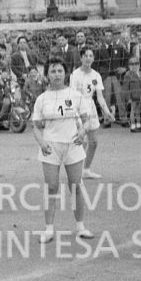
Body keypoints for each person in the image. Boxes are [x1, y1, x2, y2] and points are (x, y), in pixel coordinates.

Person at [30, 57, 94, 242]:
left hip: (73, 145)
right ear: (47, 75)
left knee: (76, 185)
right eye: (53, 71)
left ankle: (80, 227)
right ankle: (49, 229)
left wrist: (82, 131)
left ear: (65, 73)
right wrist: (42, 143)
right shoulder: (42, 99)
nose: (57, 74)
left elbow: (87, 118)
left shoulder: (75, 95)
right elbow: (35, 126)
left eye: (60, 71)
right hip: (51, 146)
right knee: (51, 187)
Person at [69, 47, 114, 180]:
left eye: (91, 55)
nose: (88, 58)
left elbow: (99, 97)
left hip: (91, 107)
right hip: (78, 108)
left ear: (93, 58)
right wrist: (74, 114)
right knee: (81, 141)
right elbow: (72, 96)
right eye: (86, 55)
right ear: (81, 58)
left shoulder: (96, 75)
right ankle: (74, 171)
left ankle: (86, 170)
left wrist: (107, 112)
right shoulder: (75, 75)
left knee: (93, 142)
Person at [120, 55, 141, 133]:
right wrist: (128, 98)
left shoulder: (139, 73)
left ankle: (138, 125)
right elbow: (125, 88)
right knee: (133, 111)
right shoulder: (128, 75)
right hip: (132, 96)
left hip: (140, 95)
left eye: (136, 63)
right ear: (129, 65)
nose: (134, 65)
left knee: (138, 111)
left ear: (139, 64)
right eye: (132, 64)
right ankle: (132, 126)